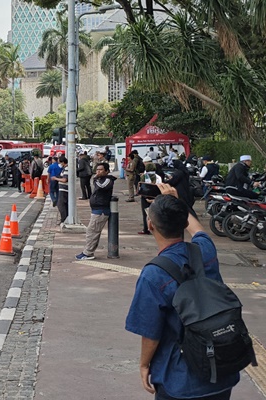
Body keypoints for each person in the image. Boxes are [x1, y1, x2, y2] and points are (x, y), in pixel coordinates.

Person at [125, 183, 239, 400]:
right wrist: (179, 202)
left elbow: (150, 332)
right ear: (184, 221)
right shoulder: (204, 250)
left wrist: (144, 364)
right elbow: (197, 230)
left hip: (181, 379)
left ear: (150, 225)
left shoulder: (153, 274)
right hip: (223, 370)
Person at [75, 162, 116, 260]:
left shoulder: (108, 180)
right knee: (92, 231)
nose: (98, 172)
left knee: (92, 231)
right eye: (97, 170)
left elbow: (101, 187)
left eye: (101, 170)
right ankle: (88, 251)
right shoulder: (100, 180)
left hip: (101, 210)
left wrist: (95, 179)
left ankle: (88, 253)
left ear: (107, 171)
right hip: (96, 209)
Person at [138, 156, 164, 235]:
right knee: (155, 212)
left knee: (145, 213)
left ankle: (146, 229)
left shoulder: (143, 176)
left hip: (145, 196)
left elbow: (140, 186)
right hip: (155, 196)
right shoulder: (158, 177)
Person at [52, 156, 69, 224]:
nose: (59, 164)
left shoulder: (67, 169)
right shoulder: (64, 168)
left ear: (63, 162)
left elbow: (64, 180)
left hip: (64, 189)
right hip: (63, 189)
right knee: (64, 205)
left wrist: (56, 179)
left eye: (60, 163)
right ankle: (65, 218)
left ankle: (64, 219)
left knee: (60, 204)